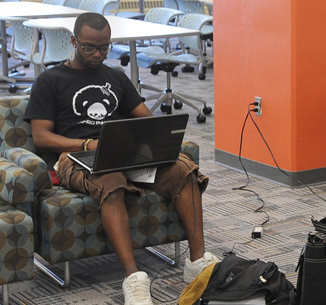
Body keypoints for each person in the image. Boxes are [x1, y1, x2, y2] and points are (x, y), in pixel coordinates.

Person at [24, 13, 219, 305]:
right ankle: (133, 278)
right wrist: (88, 143)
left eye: (104, 47)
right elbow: (41, 136)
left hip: (123, 154)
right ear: (74, 41)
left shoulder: (114, 76)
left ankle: (197, 261)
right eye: (90, 47)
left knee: (184, 169)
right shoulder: (50, 80)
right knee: (110, 180)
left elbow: (147, 121)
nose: (98, 54)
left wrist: (145, 143)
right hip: (74, 157)